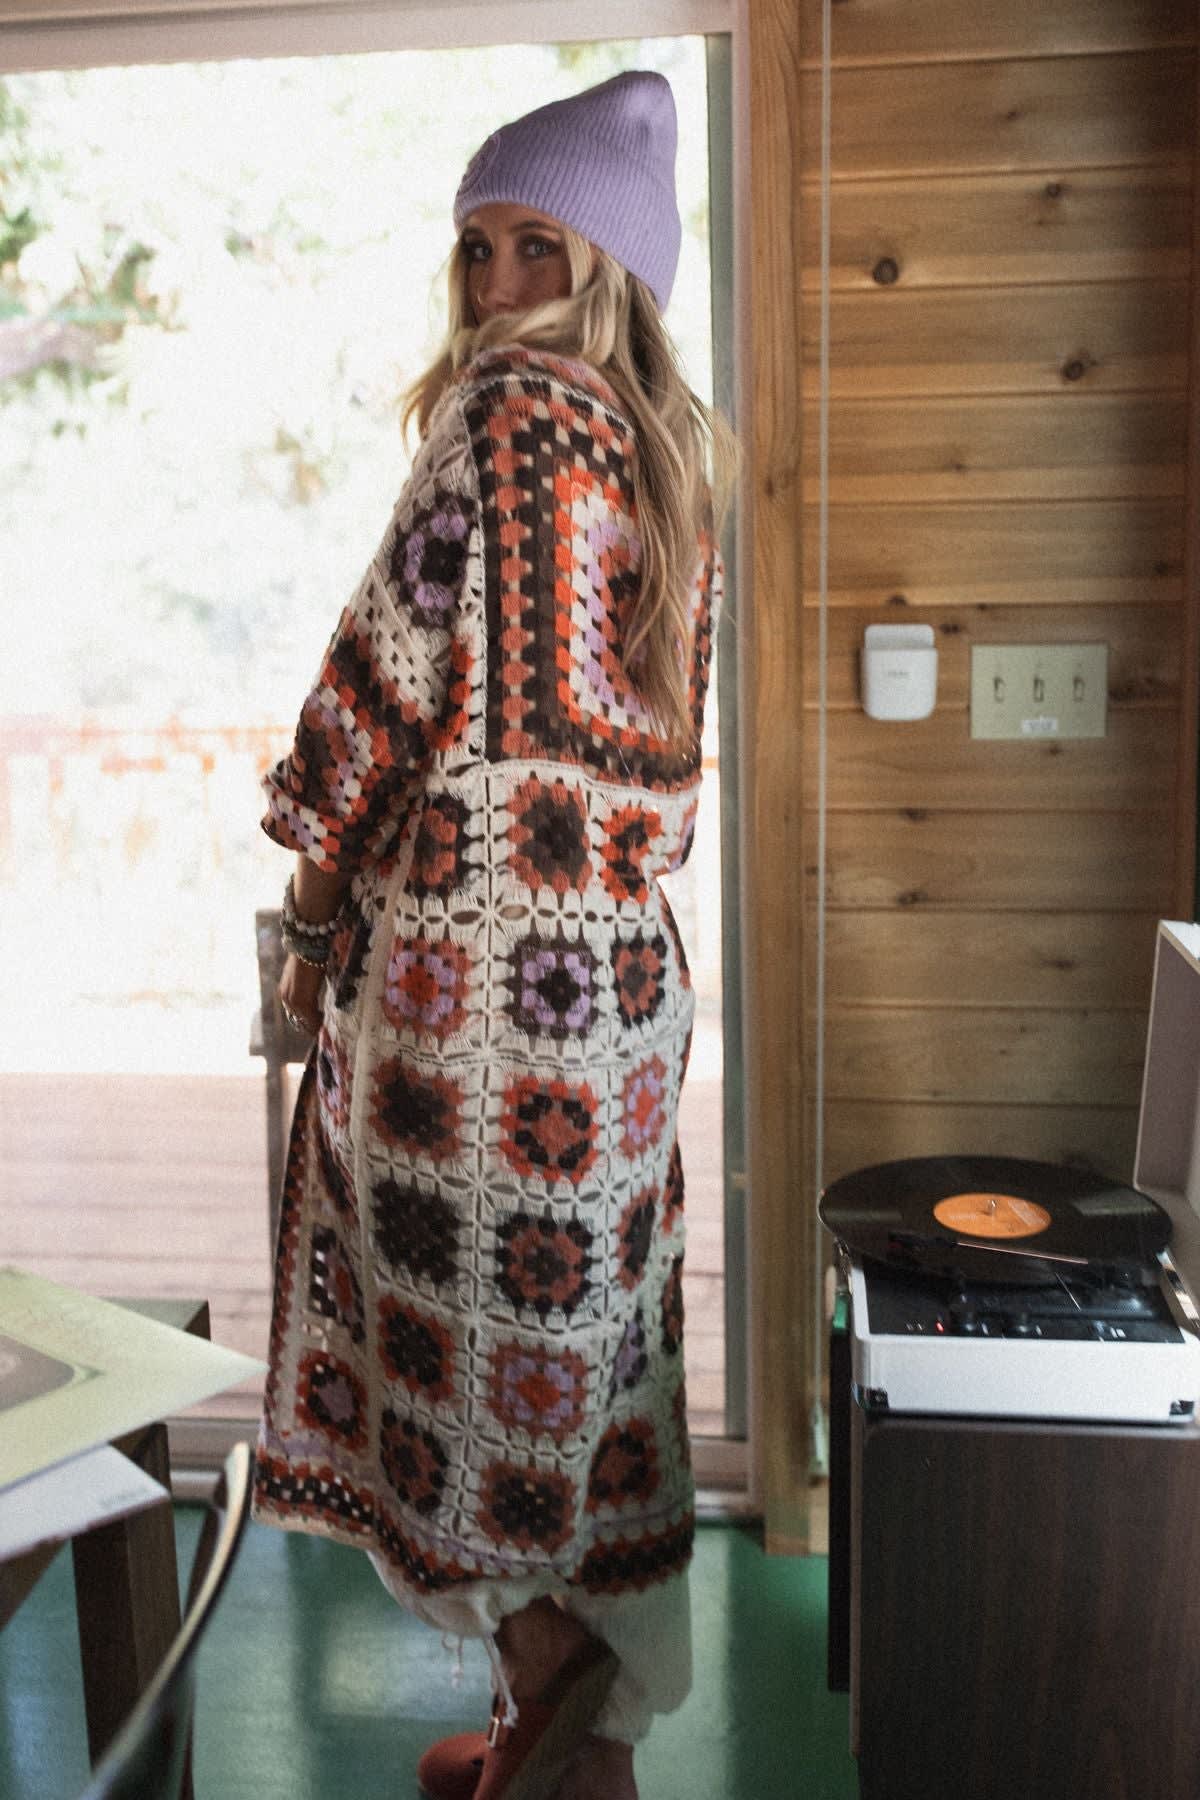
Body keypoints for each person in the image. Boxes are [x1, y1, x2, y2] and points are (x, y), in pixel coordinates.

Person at [251, 68, 731, 1800]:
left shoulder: (502, 422)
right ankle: (574, 1751)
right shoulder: (672, 463)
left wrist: (310, 919)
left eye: (541, 246)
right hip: (616, 1009)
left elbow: (372, 699)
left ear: (610, 271)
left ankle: (552, 1705)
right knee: (575, 1393)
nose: (502, 284)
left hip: (476, 1017)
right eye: (480, 246)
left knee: (448, 1397)